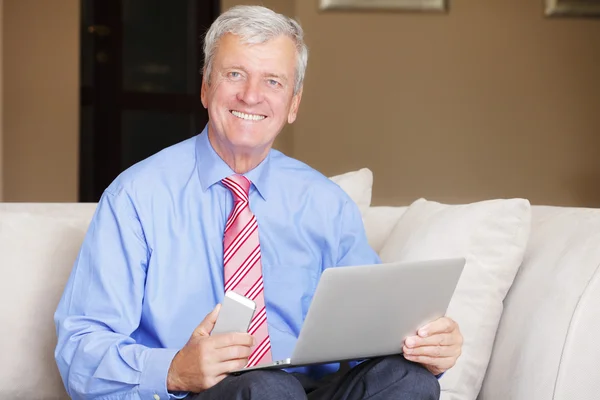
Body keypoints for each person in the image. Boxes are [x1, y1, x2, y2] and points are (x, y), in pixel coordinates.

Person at [54, 5, 463, 400]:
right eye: (235, 74)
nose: (251, 95)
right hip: (203, 395)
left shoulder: (324, 203)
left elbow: (372, 328)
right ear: (205, 87)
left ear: (293, 104)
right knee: (267, 388)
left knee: (409, 380)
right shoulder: (136, 198)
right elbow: (80, 348)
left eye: (273, 81)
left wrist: (425, 344)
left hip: (309, 391)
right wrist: (175, 369)